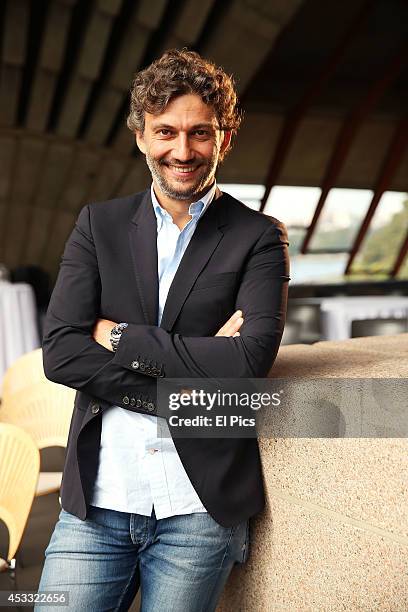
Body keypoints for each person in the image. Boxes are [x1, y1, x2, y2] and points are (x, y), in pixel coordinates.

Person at [36, 49, 290, 611]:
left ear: (224, 139)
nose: (183, 151)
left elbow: (247, 363)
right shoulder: (97, 225)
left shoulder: (258, 237)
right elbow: (61, 353)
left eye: (201, 133)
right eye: (165, 132)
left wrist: (120, 337)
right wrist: (181, 391)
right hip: (95, 505)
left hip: (199, 510)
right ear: (140, 137)